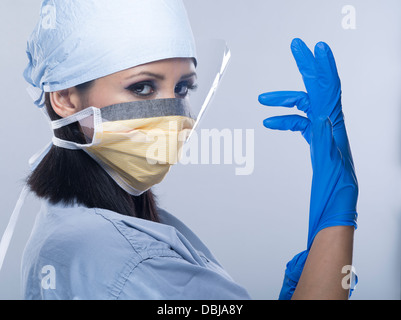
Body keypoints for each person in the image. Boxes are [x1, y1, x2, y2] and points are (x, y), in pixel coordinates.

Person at [8, 0, 357, 300]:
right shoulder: (126, 260)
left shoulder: (80, 216)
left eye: (182, 87)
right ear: (65, 97)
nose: (173, 114)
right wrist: (336, 217)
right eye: (142, 87)